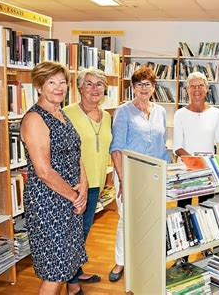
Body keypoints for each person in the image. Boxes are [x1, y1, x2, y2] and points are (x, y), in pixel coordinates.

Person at [20, 61, 88, 295]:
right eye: (51, 82)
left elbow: (74, 152)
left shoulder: (60, 113)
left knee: (65, 265)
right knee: (54, 270)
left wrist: (85, 186)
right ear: (39, 86)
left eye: (62, 82)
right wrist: (74, 196)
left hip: (69, 199)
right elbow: (44, 171)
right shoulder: (34, 119)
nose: (59, 88)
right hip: (48, 203)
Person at [109, 66, 170, 282]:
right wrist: (124, 181)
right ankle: (120, 262)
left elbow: (162, 146)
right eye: (139, 84)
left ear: (154, 87)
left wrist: (169, 172)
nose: (144, 88)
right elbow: (116, 148)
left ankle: (146, 258)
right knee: (127, 218)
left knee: (152, 218)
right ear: (133, 87)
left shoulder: (161, 112)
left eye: (148, 84)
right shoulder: (123, 111)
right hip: (129, 173)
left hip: (155, 174)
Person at [63, 68, 112, 285]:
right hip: (75, 185)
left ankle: (76, 270)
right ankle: (71, 281)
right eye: (89, 84)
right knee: (75, 233)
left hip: (96, 183)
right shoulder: (67, 113)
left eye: (99, 84)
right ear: (79, 87)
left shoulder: (107, 115)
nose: (94, 89)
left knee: (83, 230)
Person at [172, 71, 219, 264]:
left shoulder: (216, 113)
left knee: (206, 211)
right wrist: (196, 164)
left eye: (200, 85)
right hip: (186, 173)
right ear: (187, 90)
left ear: (207, 89)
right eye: (192, 86)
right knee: (182, 212)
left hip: (208, 173)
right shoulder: (180, 114)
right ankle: (182, 256)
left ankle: (205, 248)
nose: (196, 90)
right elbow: (177, 146)